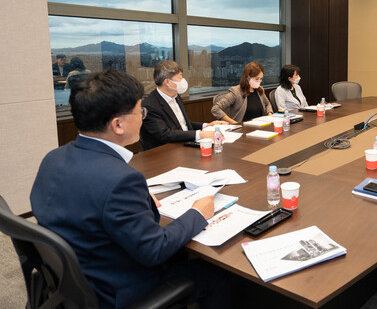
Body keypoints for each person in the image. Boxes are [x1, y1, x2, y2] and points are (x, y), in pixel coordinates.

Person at [30, 70, 229, 308]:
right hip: (115, 290)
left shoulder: (53, 158)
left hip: (76, 278)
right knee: (221, 277)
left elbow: (87, 198)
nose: (143, 117)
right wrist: (198, 213)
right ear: (118, 124)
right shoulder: (120, 181)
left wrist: (135, 202)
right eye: (140, 111)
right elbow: (155, 249)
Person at [140, 60, 227, 150]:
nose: (183, 81)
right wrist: (201, 134)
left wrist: (206, 125)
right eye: (180, 78)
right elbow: (165, 135)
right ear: (167, 82)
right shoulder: (150, 106)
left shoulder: (176, 96)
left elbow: (183, 125)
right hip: (164, 153)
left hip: (183, 145)